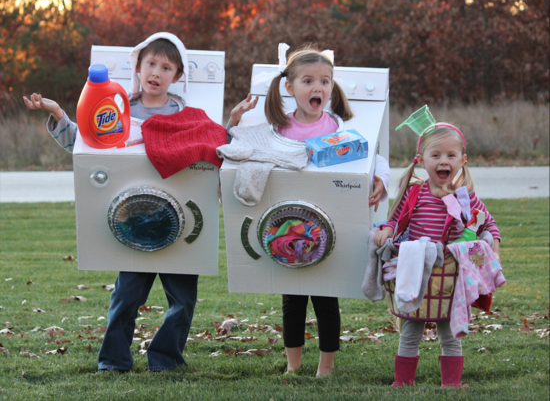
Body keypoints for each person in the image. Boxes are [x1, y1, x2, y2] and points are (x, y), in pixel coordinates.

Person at [23, 32, 207, 372]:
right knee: (126, 298)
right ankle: (114, 360)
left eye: (166, 67)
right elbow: (86, 144)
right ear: (137, 66)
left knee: (183, 300)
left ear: (177, 76)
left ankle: (166, 360)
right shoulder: (117, 105)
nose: (156, 72)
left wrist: (234, 125)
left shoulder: (190, 114)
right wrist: (59, 114)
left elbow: (208, 154)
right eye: (150, 63)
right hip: (132, 220)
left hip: (179, 219)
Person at [228, 44, 391, 376]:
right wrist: (233, 120)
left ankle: (326, 366)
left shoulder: (339, 128)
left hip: (327, 231)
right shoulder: (279, 127)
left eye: (325, 81)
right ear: (289, 88)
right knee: (292, 301)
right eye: (308, 81)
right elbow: (243, 148)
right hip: (286, 232)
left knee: (327, 298)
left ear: (332, 87)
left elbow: (374, 158)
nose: (318, 87)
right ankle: (293, 364)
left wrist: (381, 178)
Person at [373, 122, 501, 387]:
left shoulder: (466, 198)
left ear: (462, 161)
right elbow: (396, 219)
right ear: (421, 160)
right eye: (436, 155)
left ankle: (452, 383)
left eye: (451, 155)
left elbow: (489, 225)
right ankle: (403, 381)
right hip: (415, 271)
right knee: (410, 329)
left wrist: (492, 246)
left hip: (450, 275)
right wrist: (387, 229)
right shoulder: (415, 193)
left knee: (450, 332)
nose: (444, 161)